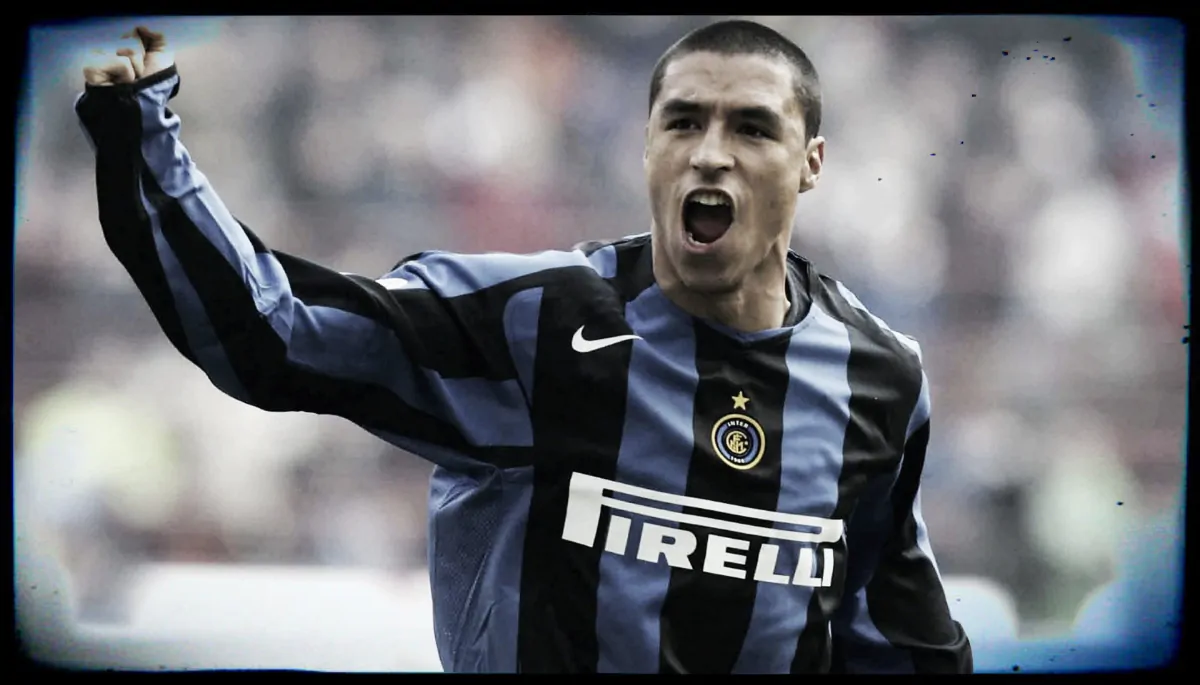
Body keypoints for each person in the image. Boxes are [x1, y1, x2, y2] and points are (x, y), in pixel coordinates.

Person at [75, 19, 972, 674]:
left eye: (752, 127)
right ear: (646, 148)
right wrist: (141, 138)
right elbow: (274, 333)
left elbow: (903, 643)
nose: (710, 153)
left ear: (812, 161)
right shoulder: (538, 321)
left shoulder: (879, 376)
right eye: (683, 122)